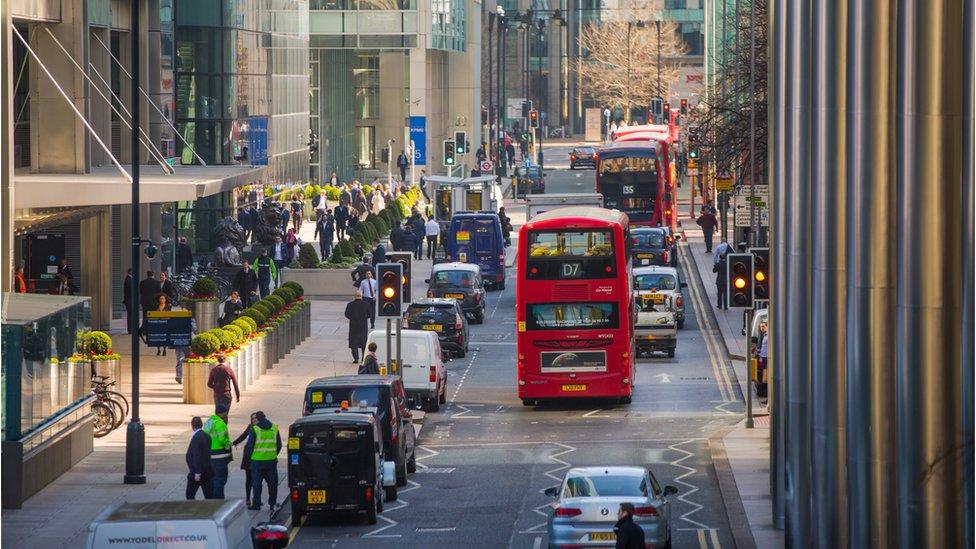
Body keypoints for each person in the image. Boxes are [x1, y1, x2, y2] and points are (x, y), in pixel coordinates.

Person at [245, 411, 282, 512]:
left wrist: (250, 459)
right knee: (273, 484)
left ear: (258, 418)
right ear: (265, 417)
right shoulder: (274, 428)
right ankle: (272, 504)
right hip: (271, 461)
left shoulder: (255, 429)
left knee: (257, 484)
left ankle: (256, 504)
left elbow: (250, 447)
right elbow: (279, 445)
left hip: (257, 462)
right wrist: (273, 454)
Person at [204, 404, 233, 499]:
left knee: (213, 478)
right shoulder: (220, 423)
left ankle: (212, 498)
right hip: (220, 456)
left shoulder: (209, 421)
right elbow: (222, 439)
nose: (226, 414)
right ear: (222, 413)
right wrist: (228, 444)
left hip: (209, 454)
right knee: (221, 479)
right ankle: (218, 501)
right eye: (225, 413)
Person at [233, 412, 260, 506]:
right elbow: (243, 436)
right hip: (248, 456)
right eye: (252, 419)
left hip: (257, 456)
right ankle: (248, 498)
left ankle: (256, 499)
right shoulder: (250, 427)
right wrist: (234, 443)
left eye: (255, 418)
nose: (254, 420)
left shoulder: (261, 428)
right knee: (249, 479)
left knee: (257, 479)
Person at [186, 416, 215, 500]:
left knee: (190, 495)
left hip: (198, 472)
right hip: (207, 470)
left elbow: (196, 455)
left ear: (192, 426)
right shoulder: (207, 436)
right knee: (209, 496)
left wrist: (197, 472)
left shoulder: (196, 438)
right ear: (201, 425)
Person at [345, 291, 372, 362]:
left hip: (353, 326)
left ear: (355, 296)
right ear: (361, 296)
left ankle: (356, 358)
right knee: (363, 343)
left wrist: (352, 318)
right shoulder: (366, 304)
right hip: (363, 326)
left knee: (353, 343)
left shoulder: (350, 304)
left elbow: (346, 314)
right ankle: (363, 358)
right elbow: (370, 314)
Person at [139, 271, 161, 339]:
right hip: (154, 303)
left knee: (145, 317)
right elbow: (159, 292)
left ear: (147, 275)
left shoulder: (142, 282)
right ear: (153, 275)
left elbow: (140, 292)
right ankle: (152, 330)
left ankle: (145, 331)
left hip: (145, 302)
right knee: (153, 317)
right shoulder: (157, 283)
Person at [174, 317, 196, 384]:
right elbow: (194, 329)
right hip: (186, 344)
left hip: (180, 343)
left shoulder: (177, 321)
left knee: (180, 360)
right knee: (188, 359)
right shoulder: (191, 320)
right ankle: (182, 376)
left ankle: (179, 376)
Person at [122, 268, 133, 333]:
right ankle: (130, 329)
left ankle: (131, 329)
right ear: (130, 272)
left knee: (130, 314)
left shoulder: (129, 279)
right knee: (130, 315)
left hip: (129, 300)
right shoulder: (128, 279)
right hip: (129, 300)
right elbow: (130, 290)